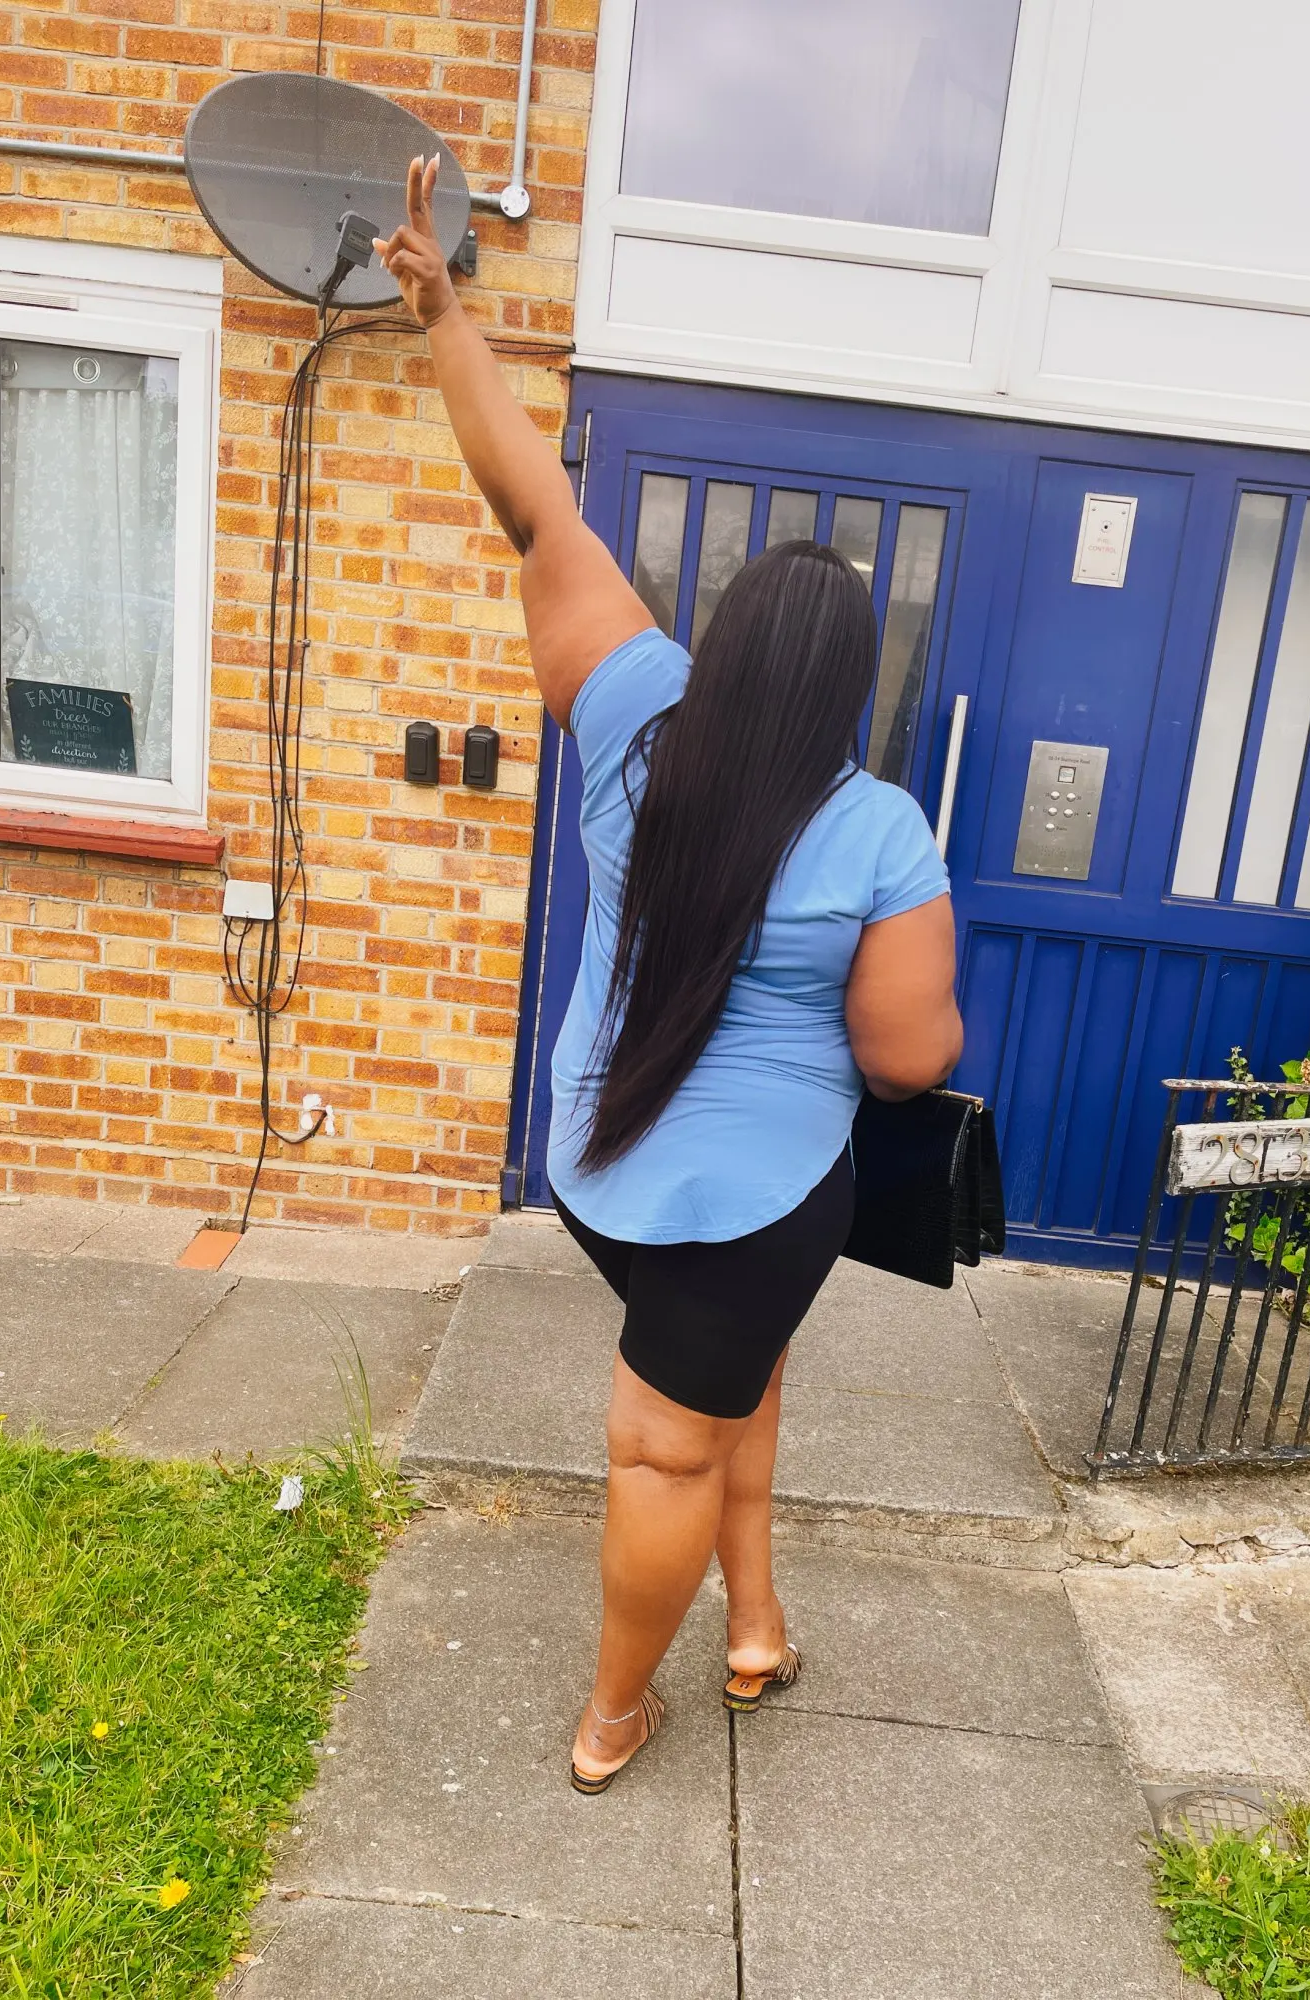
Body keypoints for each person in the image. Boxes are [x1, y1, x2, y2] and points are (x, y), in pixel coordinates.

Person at [376, 159, 964, 1795]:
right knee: (665, 1443)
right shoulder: (881, 828)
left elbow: (535, 505)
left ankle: (752, 1623)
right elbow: (907, 1061)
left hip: (602, 1164)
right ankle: (612, 1715)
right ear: (850, 689)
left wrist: (447, 318)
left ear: (722, 635)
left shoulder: (637, 706)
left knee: (719, 1381)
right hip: (758, 1199)